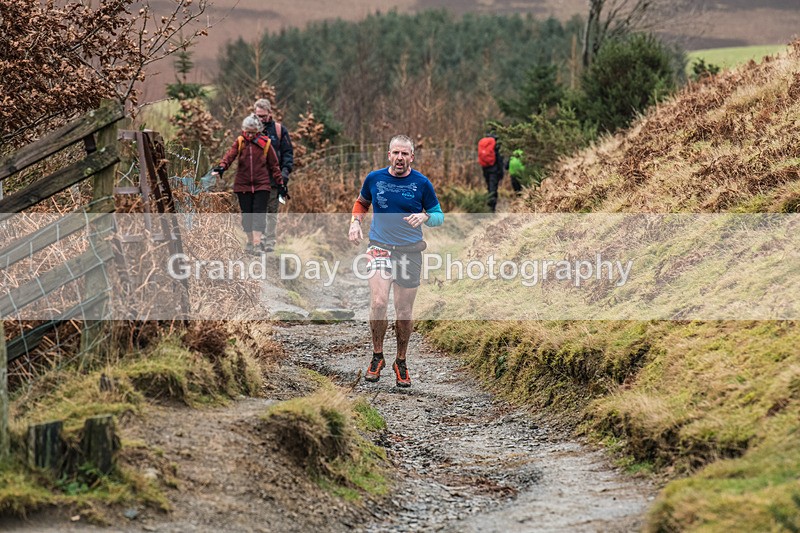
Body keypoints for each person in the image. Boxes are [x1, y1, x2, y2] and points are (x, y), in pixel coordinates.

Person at [348, 135, 444, 388]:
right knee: (379, 302)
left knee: (403, 312)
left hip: (409, 252)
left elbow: (439, 216)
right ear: (389, 155)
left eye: (405, 154)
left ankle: (400, 360)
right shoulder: (374, 178)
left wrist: (425, 217)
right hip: (379, 247)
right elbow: (361, 203)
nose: (400, 158)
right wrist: (355, 223)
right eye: (396, 153)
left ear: (412, 157)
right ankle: (377, 356)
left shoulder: (421, 183)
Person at [212, 114, 283, 254]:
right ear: (244, 130)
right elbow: (230, 156)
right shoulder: (240, 141)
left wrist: (280, 183)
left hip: (262, 184)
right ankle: (250, 242)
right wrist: (222, 167)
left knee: (259, 215)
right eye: (247, 132)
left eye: (252, 132)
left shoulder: (265, 143)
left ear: (258, 131)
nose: (249, 135)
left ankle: (257, 244)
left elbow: (274, 165)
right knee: (247, 216)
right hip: (243, 184)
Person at [254, 98, 293, 252]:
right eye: (258, 116)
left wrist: (284, 174)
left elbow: (288, 154)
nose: (260, 119)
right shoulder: (250, 131)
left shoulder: (279, 131)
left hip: (274, 179)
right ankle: (259, 240)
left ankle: (269, 241)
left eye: (263, 116)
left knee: (271, 212)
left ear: (270, 113)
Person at [478, 132, 504, 212]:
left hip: (485, 168)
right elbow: (499, 159)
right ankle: (491, 208)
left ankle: (489, 205)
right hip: (494, 169)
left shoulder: (484, 144)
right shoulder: (495, 146)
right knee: (493, 188)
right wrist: (501, 172)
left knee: (489, 187)